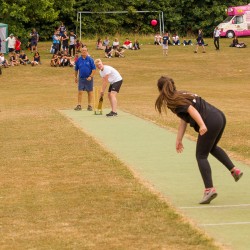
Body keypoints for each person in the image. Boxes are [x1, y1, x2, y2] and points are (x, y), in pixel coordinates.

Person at [155, 76, 243, 204]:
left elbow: (191, 110)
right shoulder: (180, 95)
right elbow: (184, 119)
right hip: (219, 116)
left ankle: (209, 189)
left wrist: (201, 124)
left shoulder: (173, 101)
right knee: (211, 148)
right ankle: (234, 170)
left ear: (160, 90)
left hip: (209, 121)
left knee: (201, 155)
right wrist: (179, 139)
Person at [74, 47, 96, 111]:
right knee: (80, 92)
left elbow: (94, 70)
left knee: (89, 92)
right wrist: (75, 77)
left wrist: (90, 76)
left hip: (89, 78)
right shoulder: (78, 60)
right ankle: (79, 105)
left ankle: (89, 105)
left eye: (85, 50)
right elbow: (76, 69)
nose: (84, 51)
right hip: (81, 78)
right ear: (81, 51)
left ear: (87, 51)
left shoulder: (90, 59)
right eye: (83, 50)